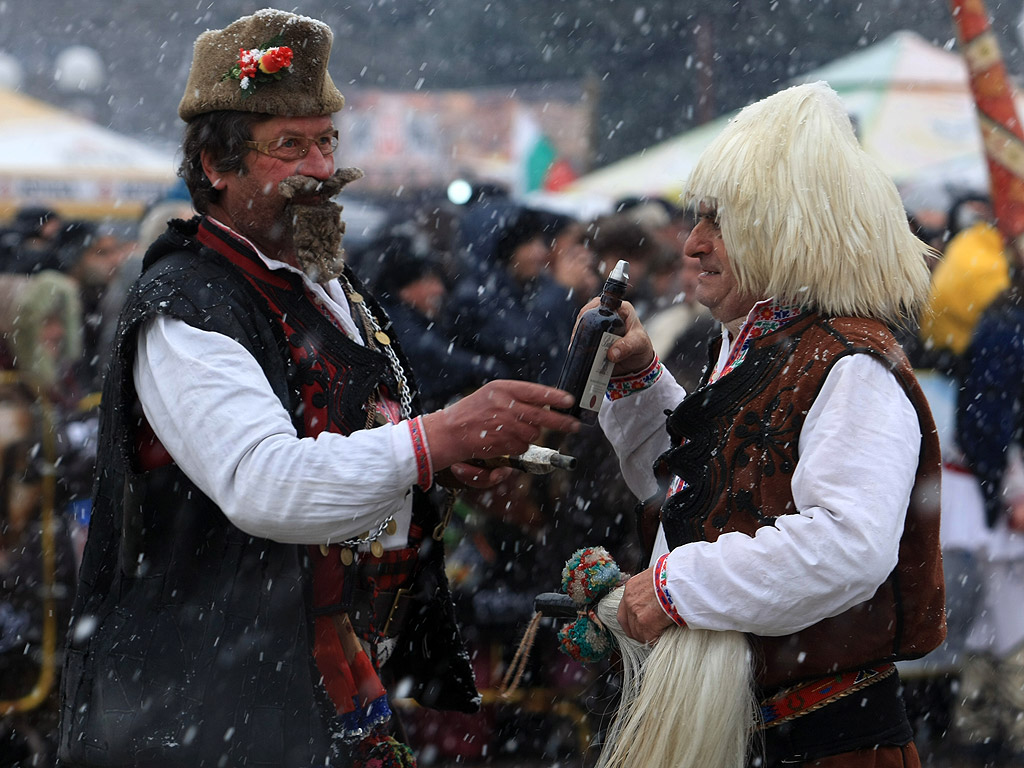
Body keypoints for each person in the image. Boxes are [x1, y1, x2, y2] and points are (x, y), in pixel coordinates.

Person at [57, 10, 579, 768]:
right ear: (215, 166)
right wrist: (436, 438)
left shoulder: (322, 283)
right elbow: (263, 486)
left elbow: (354, 441)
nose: (320, 167)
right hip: (206, 699)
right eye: (288, 147)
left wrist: (436, 468)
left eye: (327, 141)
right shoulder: (188, 305)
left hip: (315, 674)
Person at [593, 82, 945, 767]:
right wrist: (639, 381)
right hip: (761, 732)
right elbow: (696, 500)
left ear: (787, 227)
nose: (691, 245)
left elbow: (849, 548)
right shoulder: (764, 342)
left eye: (718, 222)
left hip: (822, 743)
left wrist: (675, 589)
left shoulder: (850, 361)